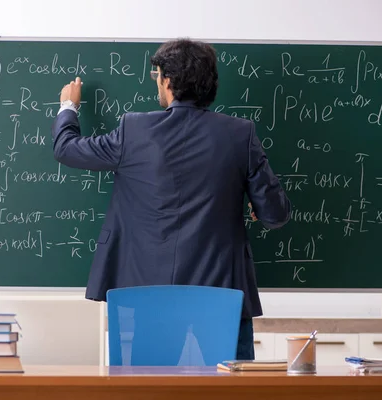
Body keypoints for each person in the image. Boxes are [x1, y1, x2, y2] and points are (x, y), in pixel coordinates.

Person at [51, 38, 291, 360]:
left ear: (167, 80)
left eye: (157, 76)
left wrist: (69, 106)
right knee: (231, 390)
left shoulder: (133, 130)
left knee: (145, 388)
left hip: (143, 294)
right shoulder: (240, 134)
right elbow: (275, 214)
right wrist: (259, 205)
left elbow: (66, 149)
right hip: (220, 294)